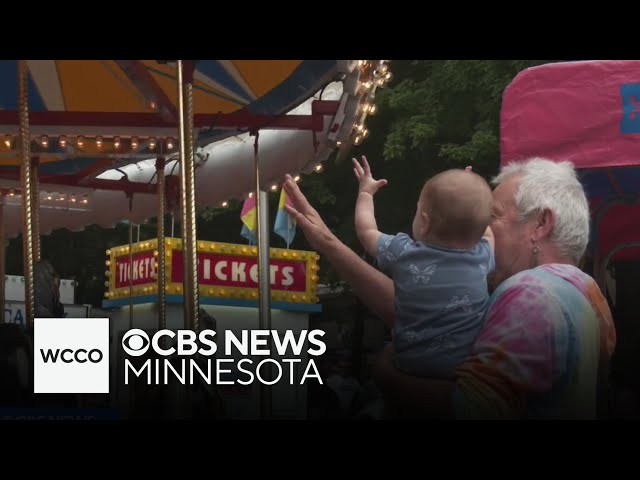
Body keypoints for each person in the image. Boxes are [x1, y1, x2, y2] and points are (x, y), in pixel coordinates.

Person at [282, 157, 616, 419]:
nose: (480, 229)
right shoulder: (583, 292)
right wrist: (328, 242)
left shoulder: (531, 294)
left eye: (492, 216)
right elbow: (424, 314)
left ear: (541, 224)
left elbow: (469, 409)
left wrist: (387, 374)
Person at [352, 156, 494, 379]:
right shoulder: (482, 257)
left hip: (409, 368)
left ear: (425, 222)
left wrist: (365, 193)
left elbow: (366, 231)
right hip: (461, 373)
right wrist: (471, 203)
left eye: (417, 210)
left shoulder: (405, 253)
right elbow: (485, 230)